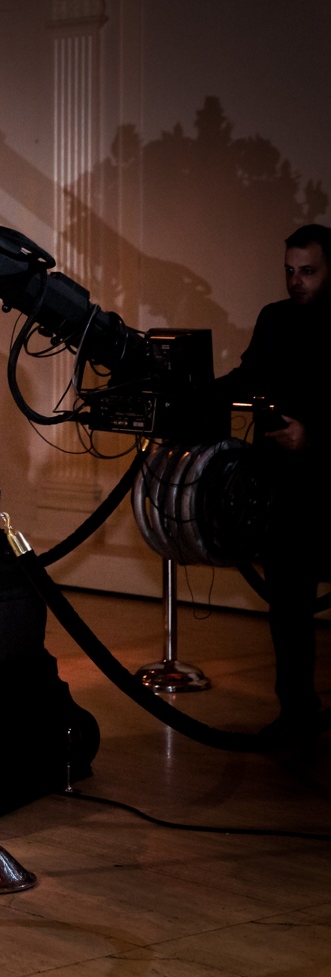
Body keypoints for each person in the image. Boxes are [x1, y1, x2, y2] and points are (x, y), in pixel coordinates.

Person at [215, 223, 331, 745]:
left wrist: (314, 436)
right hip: (282, 490)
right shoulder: (275, 319)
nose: (295, 281)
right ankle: (296, 713)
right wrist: (188, 389)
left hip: (328, 486)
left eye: (307, 271)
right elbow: (246, 379)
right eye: (289, 271)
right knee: (287, 608)